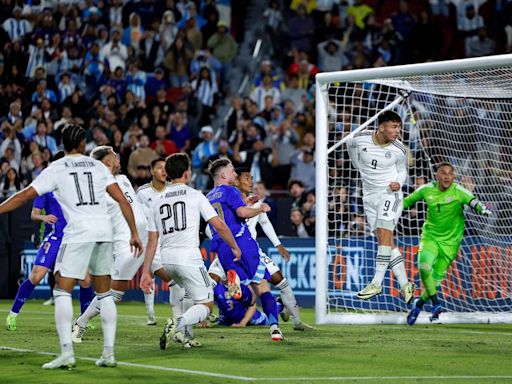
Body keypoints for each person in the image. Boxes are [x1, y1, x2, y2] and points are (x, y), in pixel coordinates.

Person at [0, 124, 143, 369]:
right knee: (105, 293)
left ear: (62, 145)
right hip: (104, 232)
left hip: (78, 232)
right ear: (81, 144)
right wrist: (133, 232)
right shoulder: (98, 166)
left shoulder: (56, 168)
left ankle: (67, 353)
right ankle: (108, 353)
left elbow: (23, 196)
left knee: (62, 290)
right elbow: (121, 200)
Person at [140, 153, 241, 349]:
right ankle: (178, 325)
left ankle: (186, 336)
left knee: (188, 293)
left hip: (167, 260)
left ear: (168, 174)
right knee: (206, 304)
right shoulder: (195, 195)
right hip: (188, 257)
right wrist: (235, 246)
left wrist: (146, 271)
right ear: (187, 174)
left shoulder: (158, 201)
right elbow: (218, 225)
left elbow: (152, 240)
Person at [5, 152, 94, 331]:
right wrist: (44, 218)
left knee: (85, 279)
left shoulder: (76, 186)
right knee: (36, 276)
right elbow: (33, 214)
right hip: (55, 237)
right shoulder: (46, 186)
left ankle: (84, 319)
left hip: (74, 237)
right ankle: (13, 314)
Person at [71, 146, 149, 342]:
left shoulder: (123, 180)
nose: (118, 160)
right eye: (115, 157)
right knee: (114, 294)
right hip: (127, 244)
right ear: (107, 162)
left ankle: (184, 326)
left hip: (148, 238)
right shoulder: (97, 189)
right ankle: (80, 323)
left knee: (174, 272)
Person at [206, 158, 284, 341]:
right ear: (224, 174)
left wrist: (246, 203)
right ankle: (274, 328)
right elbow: (241, 213)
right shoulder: (230, 190)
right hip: (242, 243)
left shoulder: (209, 196)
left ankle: (241, 290)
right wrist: (260, 209)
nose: (235, 173)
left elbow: (226, 216)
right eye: (232, 170)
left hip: (222, 249)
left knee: (241, 287)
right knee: (263, 287)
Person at [405, 163, 491, 325]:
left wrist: (483, 209)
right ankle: (436, 304)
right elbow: (406, 202)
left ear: (454, 177)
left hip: (451, 244)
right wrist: (388, 212)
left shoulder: (458, 191)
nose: (446, 176)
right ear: (436, 175)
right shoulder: (426, 189)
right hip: (430, 238)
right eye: (443, 173)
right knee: (423, 267)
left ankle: (419, 304)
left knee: (435, 280)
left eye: (450, 174)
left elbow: (473, 201)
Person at [346, 111, 415, 303]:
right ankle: (405, 284)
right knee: (386, 242)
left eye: (399, 127)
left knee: (385, 234)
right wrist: (356, 164)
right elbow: (349, 143)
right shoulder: (361, 138)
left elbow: (402, 171)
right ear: (381, 127)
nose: (398, 131)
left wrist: (399, 183)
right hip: (369, 197)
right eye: (394, 127)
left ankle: (376, 283)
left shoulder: (399, 149)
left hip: (390, 194)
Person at [234, 168, 313, 330]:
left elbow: (264, 221)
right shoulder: (230, 201)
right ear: (236, 181)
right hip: (232, 252)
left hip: (253, 252)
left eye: (252, 178)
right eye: (246, 178)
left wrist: (278, 244)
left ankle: (296, 322)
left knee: (281, 282)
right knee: (213, 283)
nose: (251, 182)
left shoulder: (255, 202)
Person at [136, 158, 171, 325]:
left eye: (166, 168)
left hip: (171, 240)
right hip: (152, 241)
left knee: (174, 279)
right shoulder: (142, 193)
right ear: (151, 171)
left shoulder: (173, 190)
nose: (164, 171)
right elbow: (137, 217)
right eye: (159, 168)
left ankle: (183, 314)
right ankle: (151, 314)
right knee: (157, 275)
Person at [213, 280, 284, 327]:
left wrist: (243, 322)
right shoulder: (216, 287)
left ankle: (280, 304)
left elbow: (252, 305)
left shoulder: (242, 285)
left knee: (268, 318)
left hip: (250, 318)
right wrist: (203, 320)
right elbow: (206, 300)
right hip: (226, 320)